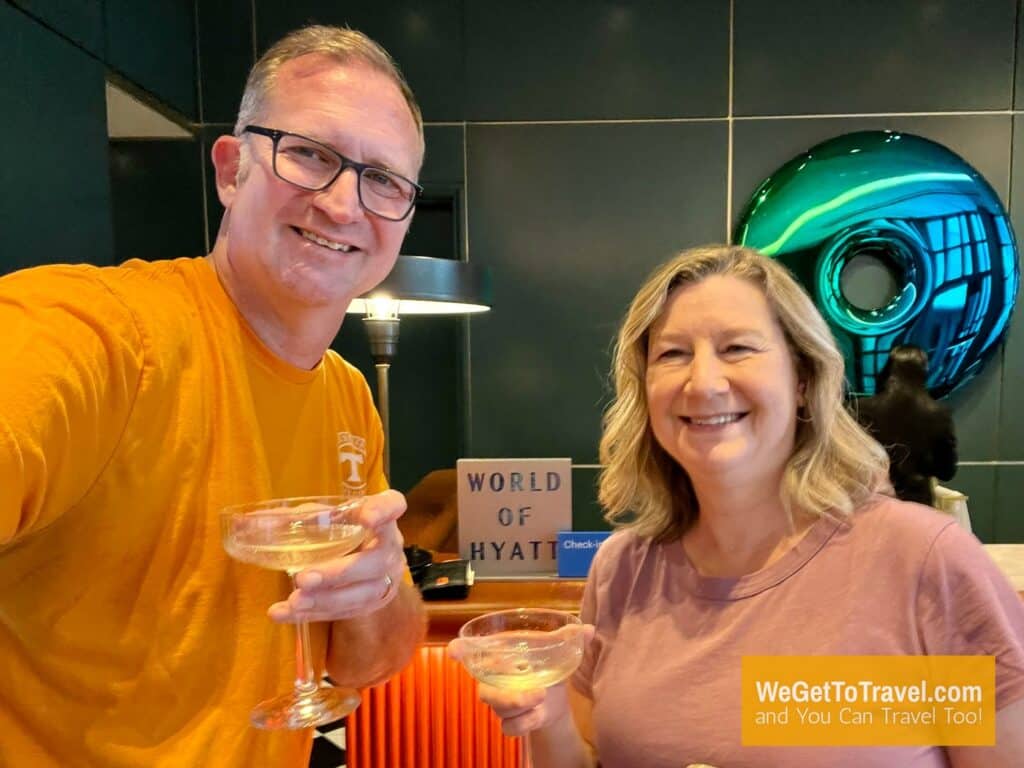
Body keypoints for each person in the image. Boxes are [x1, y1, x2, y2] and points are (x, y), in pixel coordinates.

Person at [0, 26, 428, 767]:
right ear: (232, 170)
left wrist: (379, 581)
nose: (342, 203)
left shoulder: (348, 399)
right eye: (311, 155)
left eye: (383, 179)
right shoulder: (92, 334)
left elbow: (365, 666)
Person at [452, 245, 1024, 767]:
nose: (703, 383)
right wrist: (546, 712)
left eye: (738, 348)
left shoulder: (923, 562)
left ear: (802, 377)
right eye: (673, 354)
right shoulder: (622, 572)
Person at [853, 344, 958, 506]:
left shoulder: (862, 409)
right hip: (918, 508)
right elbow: (946, 471)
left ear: (888, 370)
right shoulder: (938, 415)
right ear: (923, 373)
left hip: (871, 505)